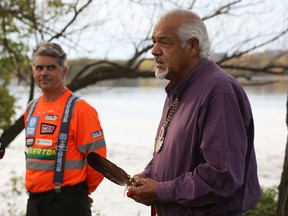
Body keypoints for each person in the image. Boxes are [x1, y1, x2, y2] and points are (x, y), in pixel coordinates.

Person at [127, 9, 261, 216]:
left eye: (164, 42)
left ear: (192, 46)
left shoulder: (219, 91)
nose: (154, 50)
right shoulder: (179, 88)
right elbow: (174, 152)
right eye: (154, 41)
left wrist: (160, 190)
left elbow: (221, 175)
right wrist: (148, 176)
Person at [24, 42, 107, 216]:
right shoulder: (31, 108)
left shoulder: (80, 109)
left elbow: (98, 160)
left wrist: (82, 192)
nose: (44, 73)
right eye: (39, 68)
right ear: (33, 71)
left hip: (67, 202)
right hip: (34, 202)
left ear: (64, 71)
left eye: (51, 67)